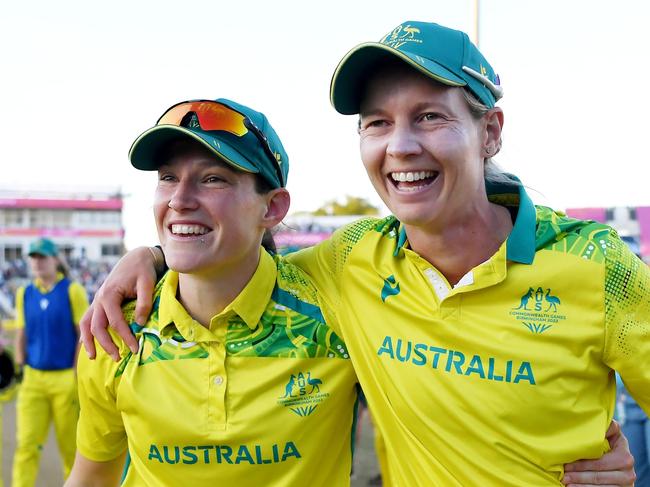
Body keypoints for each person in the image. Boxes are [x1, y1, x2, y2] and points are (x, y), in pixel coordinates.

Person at [81, 22, 645, 486]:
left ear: (490, 131)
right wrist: (152, 256)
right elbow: (230, 258)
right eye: (378, 122)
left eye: (430, 116)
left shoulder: (598, 264)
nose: (400, 145)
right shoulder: (350, 262)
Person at [65, 98, 358, 486]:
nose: (179, 200)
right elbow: (92, 478)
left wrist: (152, 256)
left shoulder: (334, 305)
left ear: (272, 208)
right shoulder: (117, 328)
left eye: (212, 178)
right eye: (168, 177)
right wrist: (152, 255)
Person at [13, 237, 88, 487]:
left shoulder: (71, 290)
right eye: (33, 257)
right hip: (33, 379)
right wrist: (20, 364)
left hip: (65, 378)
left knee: (72, 449)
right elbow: (22, 331)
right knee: (26, 446)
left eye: (43, 256)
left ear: (56, 259)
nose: (37, 262)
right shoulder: (25, 293)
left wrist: (77, 374)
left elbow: (83, 334)